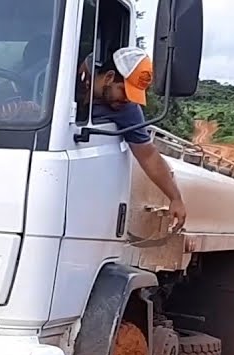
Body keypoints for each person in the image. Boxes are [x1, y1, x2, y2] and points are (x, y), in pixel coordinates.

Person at [78, 47, 187, 232]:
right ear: (109, 77)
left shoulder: (127, 110)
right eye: (124, 91)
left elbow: (148, 156)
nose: (127, 100)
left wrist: (175, 198)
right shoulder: (69, 80)